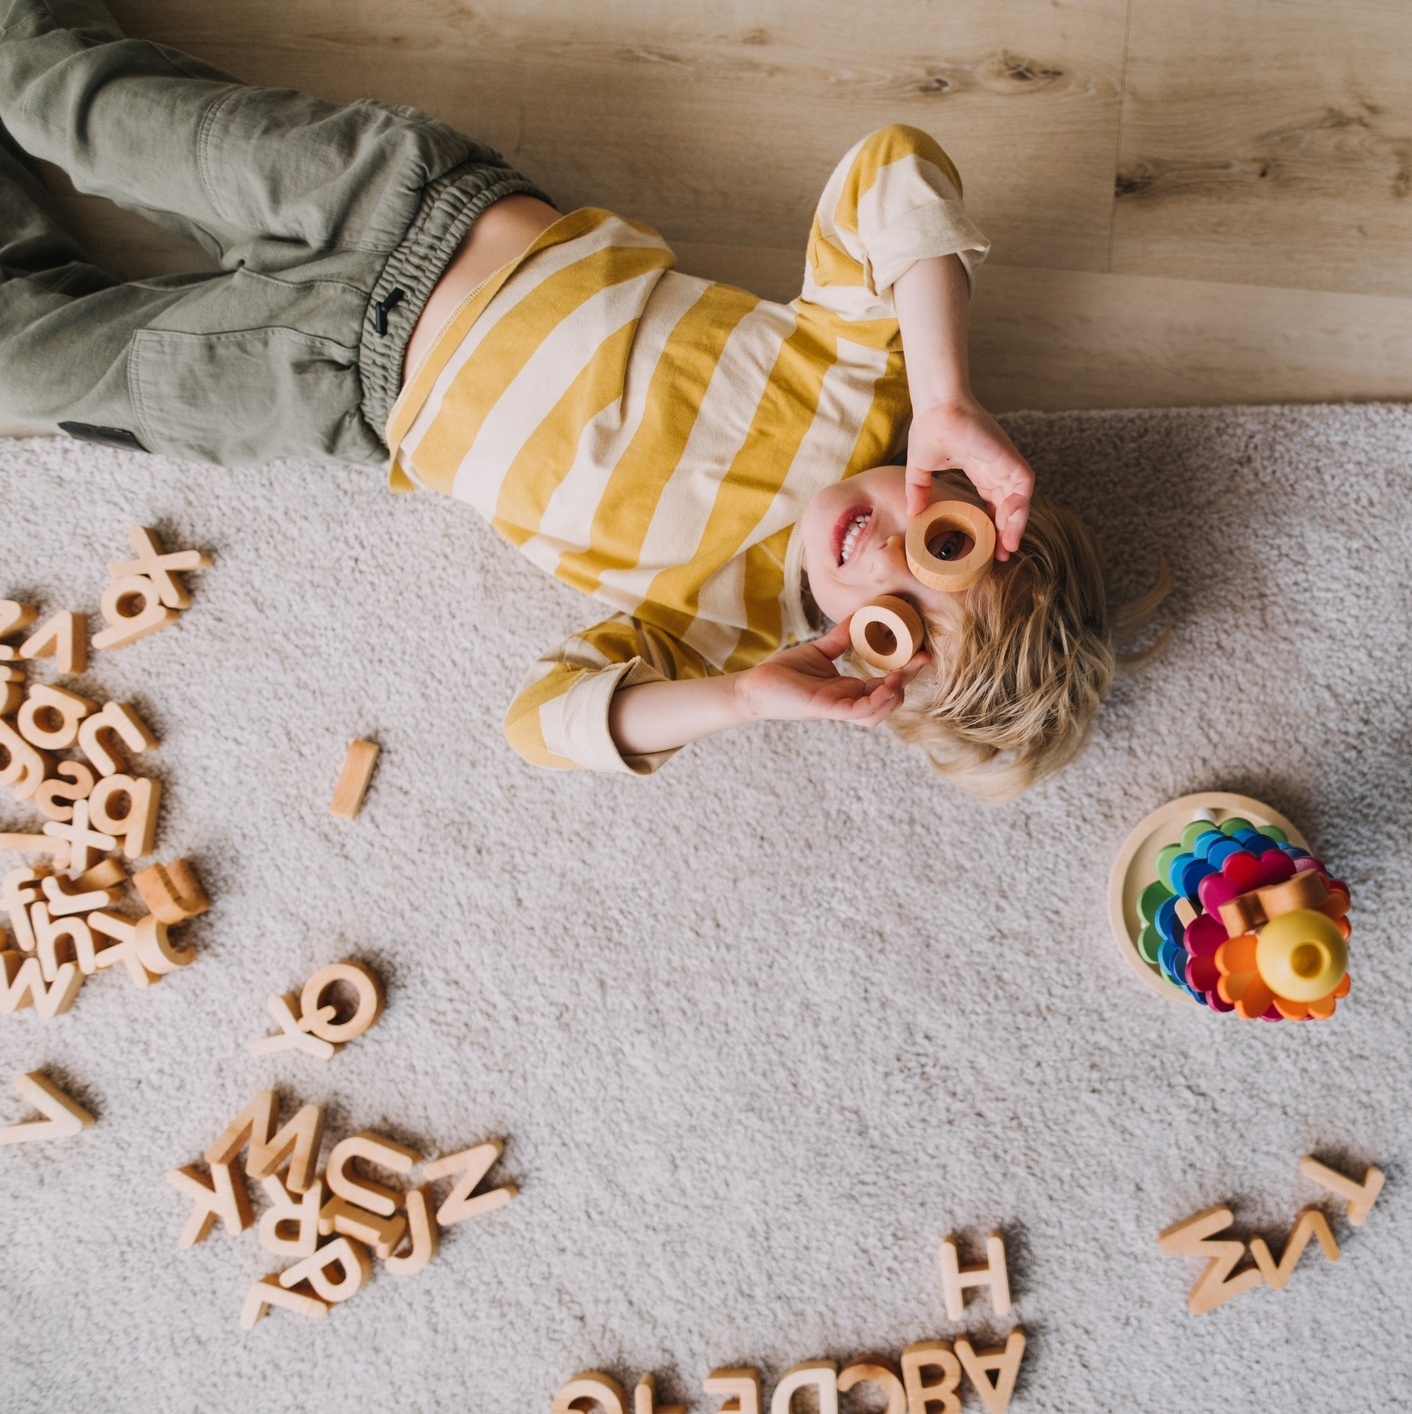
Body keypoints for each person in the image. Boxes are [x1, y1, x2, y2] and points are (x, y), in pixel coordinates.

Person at [1, 0, 1154, 798]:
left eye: (890, 618)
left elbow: (542, 722)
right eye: (940, 543)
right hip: (404, 209)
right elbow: (892, 166)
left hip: (324, 384)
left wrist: (740, 704)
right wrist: (947, 388)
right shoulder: (868, 382)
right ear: (966, 495)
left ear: (862, 664)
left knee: (27, 359)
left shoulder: (713, 631)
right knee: (72, 102)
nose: (879, 555)